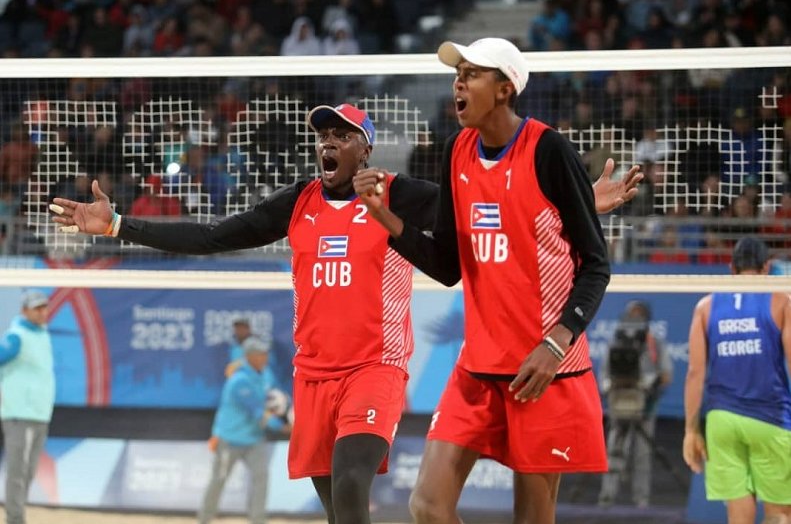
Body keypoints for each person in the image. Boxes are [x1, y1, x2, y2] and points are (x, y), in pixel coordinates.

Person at [50, 102, 639, 524]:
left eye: (342, 133)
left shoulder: (394, 193)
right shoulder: (298, 201)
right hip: (313, 376)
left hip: (375, 370)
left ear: (365, 146)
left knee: (355, 485)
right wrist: (119, 225)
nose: (327, 141)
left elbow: (492, 207)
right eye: (322, 134)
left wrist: (579, 201)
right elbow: (212, 235)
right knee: (339, 511)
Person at [353, 37, 616, 523]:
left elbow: (596, 264)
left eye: (472, 73)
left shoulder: (549, 150)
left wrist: (555, 343)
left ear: (503, 88)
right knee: (428, 506)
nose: (458, 81)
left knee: (532, 517)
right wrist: (384, 218)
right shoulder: (457, 151)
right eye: (459, 73)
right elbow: (448, 264)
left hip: (542, 369)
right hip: (478, 366)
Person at [684, 237, 791, 524]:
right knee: (780, 514)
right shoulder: (781, 300)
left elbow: (695, 372)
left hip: (722, 421)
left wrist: (690, 431)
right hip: (771, 418)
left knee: (738, 517)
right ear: (767, 267)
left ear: (731, 268)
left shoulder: (706, 306)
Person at [199, 336, 287, 524]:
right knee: (218, 481)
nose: (265, 356)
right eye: (261, 354)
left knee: (261, 479)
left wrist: (285, 408)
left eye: (266, 353)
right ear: (250, 356)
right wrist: (284, 427)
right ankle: (204, 519)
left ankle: (258, 520)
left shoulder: (265, 373)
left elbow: (274, 395)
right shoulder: (239, 381)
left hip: (254, 439)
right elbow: (258, 412)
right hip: (229, 440)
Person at [597, 300, 673, 508]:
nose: (635, 319)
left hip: (644, 406)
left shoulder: (654, 343)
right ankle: (606, 498)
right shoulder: (616, 342)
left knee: (642, 454)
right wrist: (610, 387)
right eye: (632, 314)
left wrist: (648, 385)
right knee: (614, 450)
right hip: (619, 402)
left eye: (640, 315)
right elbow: (604, 373)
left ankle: (641, 501)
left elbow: (666, 374)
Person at [0, 291, 54, 524]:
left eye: (44, 307)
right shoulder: (16, 337)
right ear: (24, 311)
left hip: (40, 413)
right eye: (37, 308)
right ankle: (15, 519)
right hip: (19, 413)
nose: (42, 312)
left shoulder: (42, 335)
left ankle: (16, 515)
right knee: (17, 471)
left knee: (29, 472)